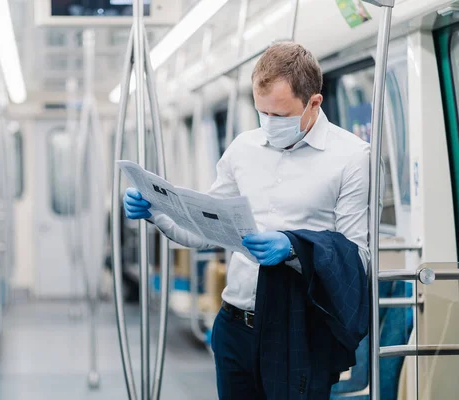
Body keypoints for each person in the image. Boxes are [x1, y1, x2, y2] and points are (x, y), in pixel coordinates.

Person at [123, 42, 370, 399]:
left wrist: (293, 248)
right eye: (261, 113)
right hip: (235, 324)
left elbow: (356, 257)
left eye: (280, 116)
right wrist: (158, 214)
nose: (269, 124)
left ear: (314, 103)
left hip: (298, 329)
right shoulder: (243, 148)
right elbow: (206, 230)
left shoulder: (350, 157)